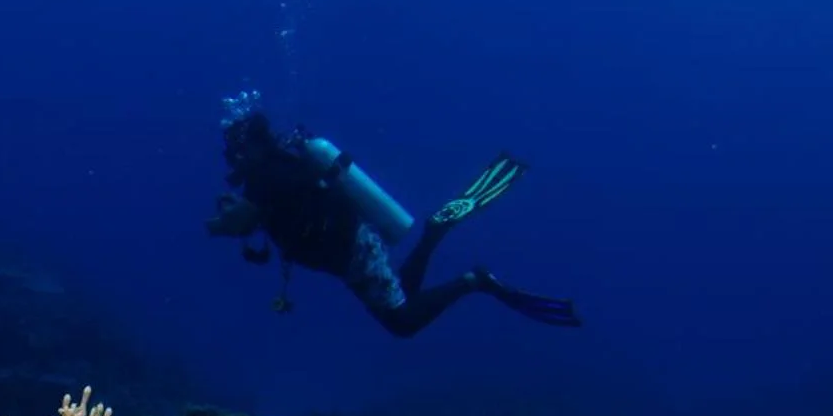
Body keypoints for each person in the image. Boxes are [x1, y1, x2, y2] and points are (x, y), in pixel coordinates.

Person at [205, 95, 580, 337]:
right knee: (402, 295)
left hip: (350, 249)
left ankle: (474, 280)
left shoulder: (265, 174)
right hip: (349, 246)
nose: (233, 157)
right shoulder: (277, 167)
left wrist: (216, 225)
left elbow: (241, 223)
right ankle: (434, 233)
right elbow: (260, 214)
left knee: (401, 323)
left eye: (236, 148)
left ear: (249, 145)